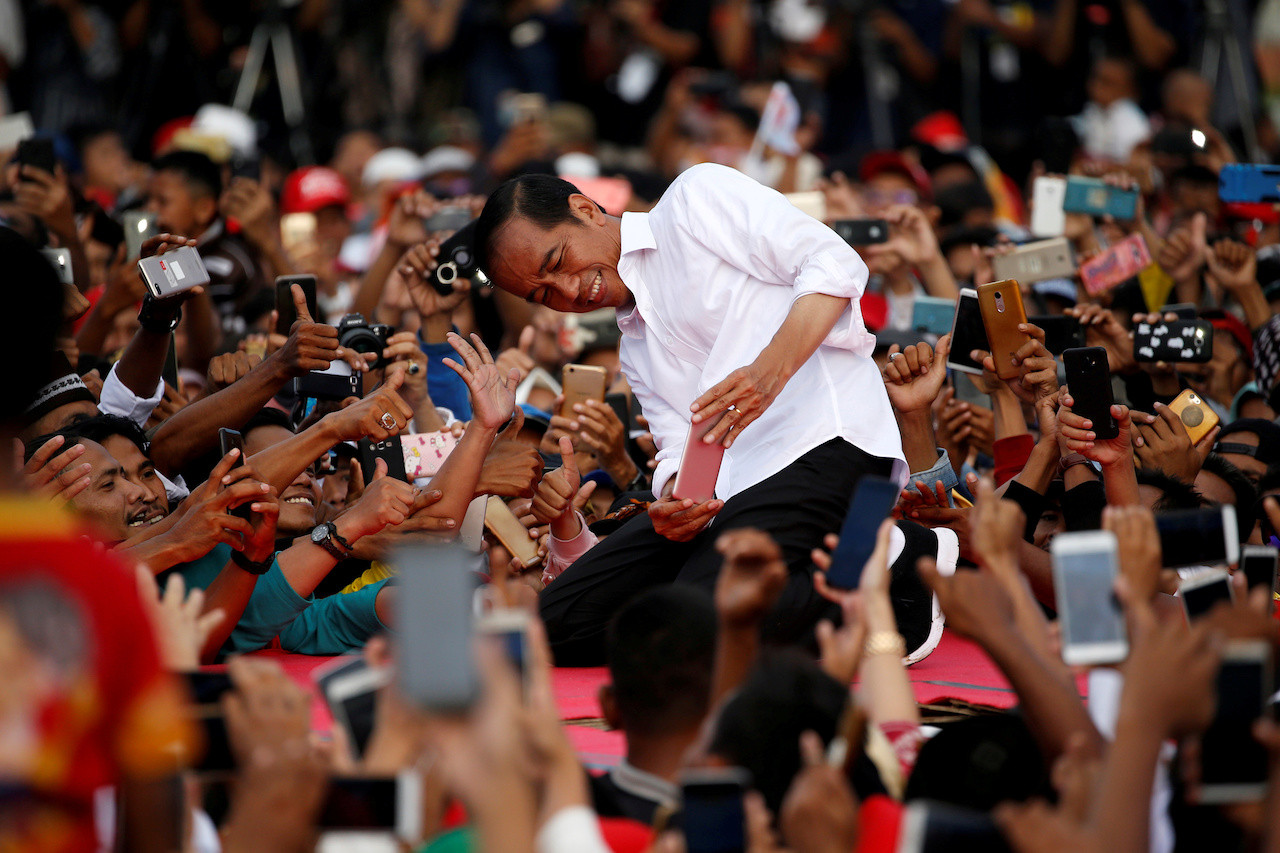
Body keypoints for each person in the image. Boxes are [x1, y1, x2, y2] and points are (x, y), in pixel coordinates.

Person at [472, 164, 904, 664]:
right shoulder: (633, 347)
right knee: (553, 627)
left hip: (823, 444)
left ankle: (902, 571)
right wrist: (676, 501)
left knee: (693, 627)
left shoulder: (694, 200)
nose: (568, 291)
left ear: (586, 210)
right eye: (543, 294)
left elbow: (833, 260)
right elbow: (677, 450)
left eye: (559, 261)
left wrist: (770, 370)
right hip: (727, 499)